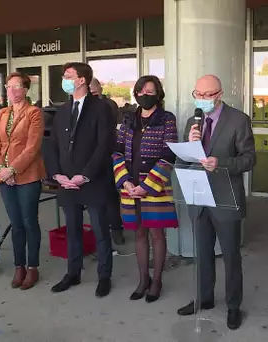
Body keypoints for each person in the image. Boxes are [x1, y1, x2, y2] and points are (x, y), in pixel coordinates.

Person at [178, 74, 256, 330]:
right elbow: (187, 159)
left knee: (231, 256)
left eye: (207, 95)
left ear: (220, 94)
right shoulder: (193, 120)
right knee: (202, 254)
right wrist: (190, 146)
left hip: (226, 198)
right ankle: (204, 298)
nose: (202, 99)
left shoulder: (238, 120)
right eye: (197, 94)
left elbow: (249, 159)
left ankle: (234, 306)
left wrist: (221, 163)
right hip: (199, 197)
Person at [45, 62, 115, 298]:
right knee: (73, 229)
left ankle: (104, 276)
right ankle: (73, 272)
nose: (64, 79)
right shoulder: (63, 110)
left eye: (68, 76)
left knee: (100, 230)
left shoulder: (101, 108)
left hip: (92, 181)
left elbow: (104, 145)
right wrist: (57, 175)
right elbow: (52, 145)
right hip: (66, 182)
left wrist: (84, 175)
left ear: (82, 80)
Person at [112, 75, 178, 303]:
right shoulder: (129, 118)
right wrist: (125, 182)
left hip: (154, 185)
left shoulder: (167, 119)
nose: (145, 95)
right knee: (139, 232)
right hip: (129, 186)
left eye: (150, 92)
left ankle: (157, 280)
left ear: (158, 94)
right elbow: (117, 151)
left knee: (156, 233)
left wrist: (147, 185)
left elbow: (169, 155)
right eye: (141, 91)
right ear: (136, 93)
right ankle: (143, 279)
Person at [0, 72, 46, 290]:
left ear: (25, 90)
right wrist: (1, 169)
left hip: (28, 176)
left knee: (29, 221)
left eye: (16, 86)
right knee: (16, 223)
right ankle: (19, 266)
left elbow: (32, 147)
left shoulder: (34, 113)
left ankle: (32, 267)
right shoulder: (2, 113)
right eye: (8, 86)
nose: (11, 91)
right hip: (5, 176)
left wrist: (13, 169)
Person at [89, 77, 126, 246]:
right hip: (90, 157)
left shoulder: (109, 105)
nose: (92, 94)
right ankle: (99, 230)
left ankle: (116, 230)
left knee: (110, 196)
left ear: (100, 90)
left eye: (94, 91)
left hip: (108, 155)